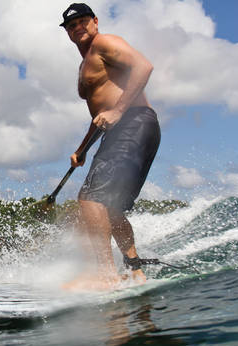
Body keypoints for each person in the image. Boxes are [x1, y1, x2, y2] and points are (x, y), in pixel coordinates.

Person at [59, 3, 161, 290]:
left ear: (95, 21)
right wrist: (83, 149)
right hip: (125, 127)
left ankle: (104, 274)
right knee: (110, 206)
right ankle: (135, 271)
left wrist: (118, 111)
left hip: (133, 121)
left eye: (82, 21)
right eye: (71, 25)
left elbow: (144, 66)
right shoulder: (84, 63)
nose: (77, 27)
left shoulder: (105, 42)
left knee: (91, 199)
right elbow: (99, 114)